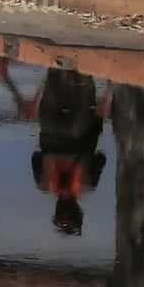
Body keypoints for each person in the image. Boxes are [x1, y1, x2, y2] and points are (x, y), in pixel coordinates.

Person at [32, 66, 106, 237]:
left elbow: (101, 158)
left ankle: (82, 54)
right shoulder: (43, 184)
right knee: (54, 78)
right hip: (50, 130)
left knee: (84, 82)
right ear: (56, 208)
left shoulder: (88, 184)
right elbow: (36, 157)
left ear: (79, 210)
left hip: (79, 132)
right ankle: (56, 52)